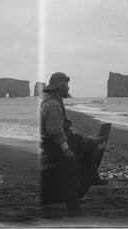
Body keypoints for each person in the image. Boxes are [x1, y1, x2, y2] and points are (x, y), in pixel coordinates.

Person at [39, 72, 108, 217]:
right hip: (55, 144)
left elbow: (61, 125)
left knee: (89, 144)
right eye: (66, 86)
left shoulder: (54, 100)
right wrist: (66, 150)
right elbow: (54, 130)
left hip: (58, 140)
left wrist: (75, 134)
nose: (68, 89)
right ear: (59, 87)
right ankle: (74, 211)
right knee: (70, 170)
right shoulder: (52, 104)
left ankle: (92, 175)